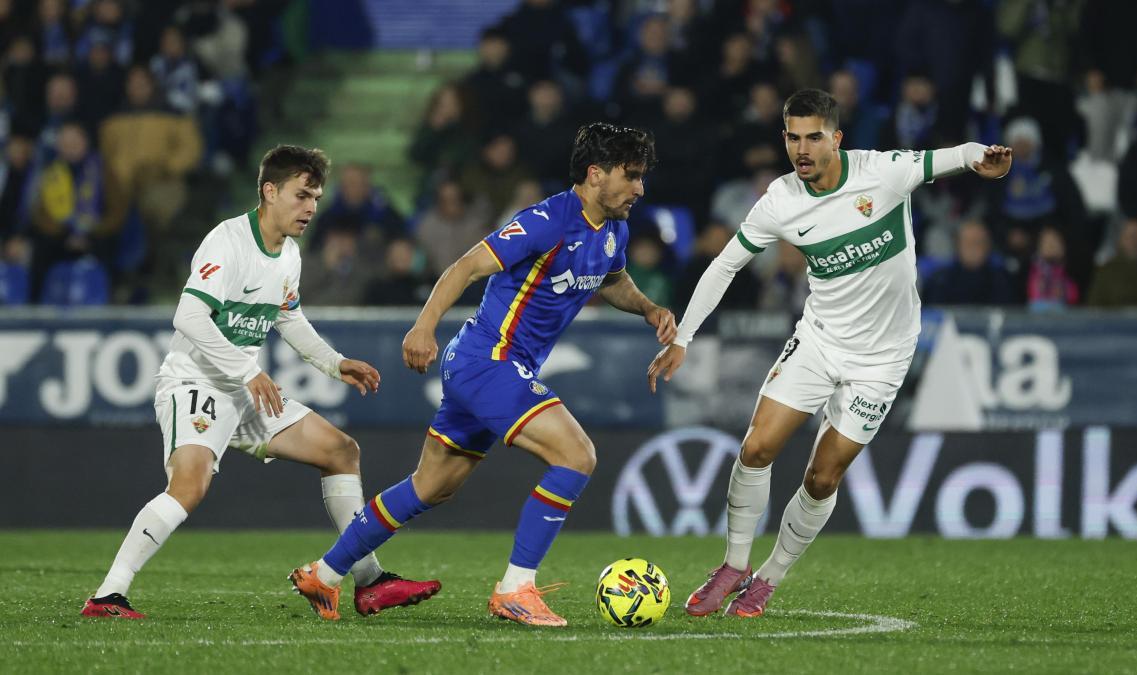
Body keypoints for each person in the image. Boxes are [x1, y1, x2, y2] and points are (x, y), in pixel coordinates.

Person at [289, 123, 676, 626]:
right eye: (632, 176)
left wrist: (647, 308)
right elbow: (467, 266)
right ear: (595, 173)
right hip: (487, 361)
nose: (640, 189)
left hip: (490, 368)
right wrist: (422, 327)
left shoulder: (614, 230)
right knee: (576, 456)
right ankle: (517, 589)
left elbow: (613, 278)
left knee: (431, 487)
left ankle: (325, 572)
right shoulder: (546, 219)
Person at [648, 89, 1011, 618]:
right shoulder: (780, 200)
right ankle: (733, 565)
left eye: (814, 136)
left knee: (823, 478)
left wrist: (986, 159)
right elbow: (725, 264)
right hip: (819, 340)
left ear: (836, 138)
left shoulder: (882, 173)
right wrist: (684, 337)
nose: (802, 148)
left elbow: (952, 157)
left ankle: (769, 577)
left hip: (884, 357)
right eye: (793, 137)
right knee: (756, 449)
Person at [81, 146, 439, 620]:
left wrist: (334, 363)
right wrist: (248, 371)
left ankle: (369, 581)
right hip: (197, 382)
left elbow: (287, 316)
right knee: (190, 485)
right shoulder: (226, 241)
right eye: (301, 195)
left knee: (341, 451)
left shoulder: (289, 254)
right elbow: (188, 316)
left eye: (316, 197)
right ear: (270, 191)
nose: (311, 207)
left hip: (244, 390)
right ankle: (109, 594)